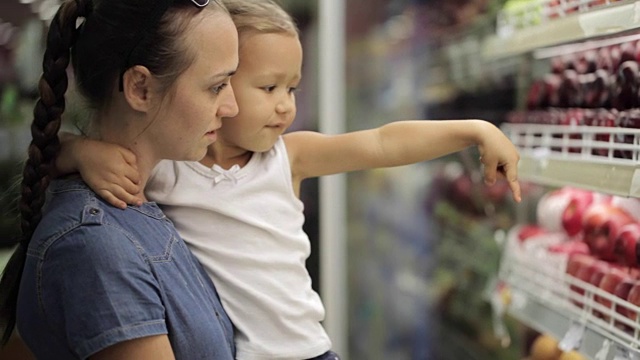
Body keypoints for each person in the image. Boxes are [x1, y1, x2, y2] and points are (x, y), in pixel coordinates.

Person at [57, 0, 522, 359]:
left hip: (313, 350)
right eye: (268, 87)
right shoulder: (170, 166)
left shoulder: (288, 158)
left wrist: (473, 130)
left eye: (292, 88)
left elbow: (382, 142)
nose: (285, 105)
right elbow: (50, 157)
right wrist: (79, 151)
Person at [0, 0, 242, 358]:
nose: (232, 107)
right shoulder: (95, 246)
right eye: (216, 86)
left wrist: (70, 149)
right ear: (140, 89)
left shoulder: (147, 199)